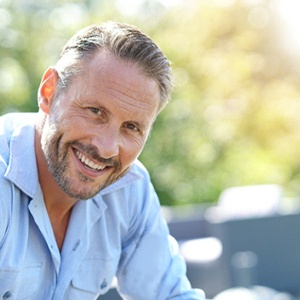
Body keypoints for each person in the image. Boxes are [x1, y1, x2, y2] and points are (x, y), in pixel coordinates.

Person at [0, 21, 205, 300]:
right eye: (95, 111)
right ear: (49, 92)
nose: (107, 148)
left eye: (131, 127)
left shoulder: (129, 189)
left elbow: (171, 295)